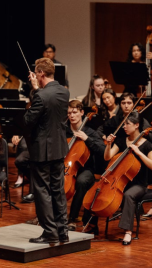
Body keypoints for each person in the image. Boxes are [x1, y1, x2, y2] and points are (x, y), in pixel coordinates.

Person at [23, 57, 70, 244]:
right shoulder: (64, 92)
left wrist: (35, 90)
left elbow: (28, 120)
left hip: (42, 151)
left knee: (42, 191)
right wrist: (38, 89)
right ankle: (62, 231)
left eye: (37, 72)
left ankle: (50, 232)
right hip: (58, 148)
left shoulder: (41, 95)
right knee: (58, 190)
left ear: (40, 74)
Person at [92, 112, 152, 245]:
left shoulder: (147, 145)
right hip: (120, 181)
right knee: (100, 191)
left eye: (127, 124)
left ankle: (128, 232)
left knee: (128, 195)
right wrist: (108, 145)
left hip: (139, 185)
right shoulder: (121, 140)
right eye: (124, 123)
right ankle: (91, 224)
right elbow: (107, 157)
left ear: (136, 125)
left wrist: (138, 152)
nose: (124, 126)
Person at [65, 100, 105, 231]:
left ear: (82, 113)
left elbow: (102, 150)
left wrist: (87, 139)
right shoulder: (63, 130)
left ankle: (72, 218)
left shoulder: (90, 132)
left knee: (82, 182)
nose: (72, 115)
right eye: (69, 112)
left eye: (75, 112)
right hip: (66, 167)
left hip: (86, 169)